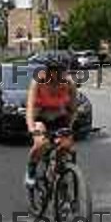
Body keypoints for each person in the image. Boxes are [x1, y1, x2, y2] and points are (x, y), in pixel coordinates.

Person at [25, 57, 77, 187]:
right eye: (55, 71)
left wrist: (70, 127)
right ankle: (31, 169)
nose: (59, 74)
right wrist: (32, 129)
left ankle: (57, 173)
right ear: (48, 71)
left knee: (65, 145)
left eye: (62, 71)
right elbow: (30, 108)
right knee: (41, 143)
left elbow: (73, 110)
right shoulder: (38, 81)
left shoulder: (69, 83)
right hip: (40, 117)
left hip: (60, 118)